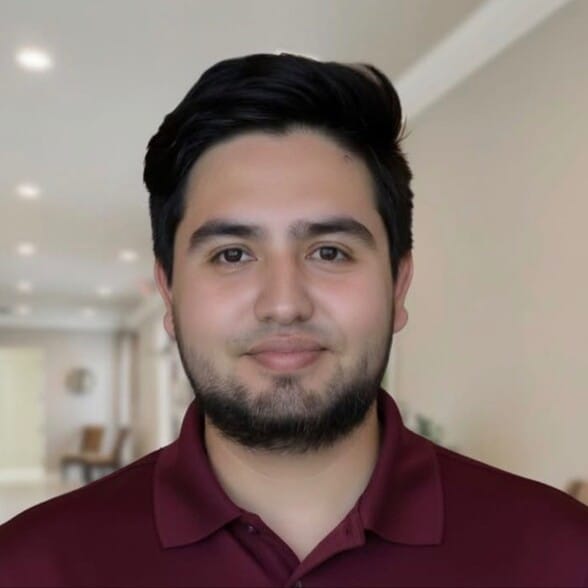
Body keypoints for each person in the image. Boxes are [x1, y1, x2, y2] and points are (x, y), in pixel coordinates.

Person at [0, 52, 586, 588]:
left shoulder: (564, 554)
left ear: (398, 284)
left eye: (329, 251)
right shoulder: (30, 565)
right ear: (169, 294)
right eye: (232, 255)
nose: (283, 303)